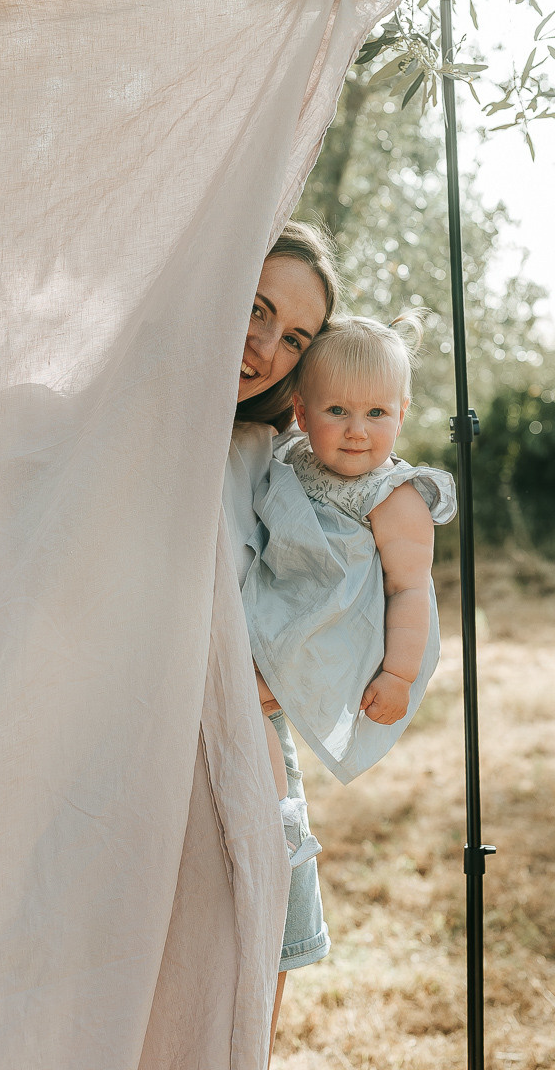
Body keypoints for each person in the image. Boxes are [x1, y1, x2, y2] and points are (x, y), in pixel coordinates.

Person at [243, 314, 457, 791]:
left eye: (376, 413)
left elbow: (409, 588)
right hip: (286, 598)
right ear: (301, 413)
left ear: (401, 414)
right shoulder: (293, 455)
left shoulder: (394, 496)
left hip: (338, 627)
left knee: (241, 701)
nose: (357, 430)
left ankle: (275, 809)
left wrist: (399, 675)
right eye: (336, 410)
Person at [222, 219, 341, 1058]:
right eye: (255, 308)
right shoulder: (113, 434)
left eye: (293, 336)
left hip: (254, 745)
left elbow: (343, 588)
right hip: (128, 753)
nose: (264, 346)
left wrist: (285, 673)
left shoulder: (271, 455)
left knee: (255, 988)